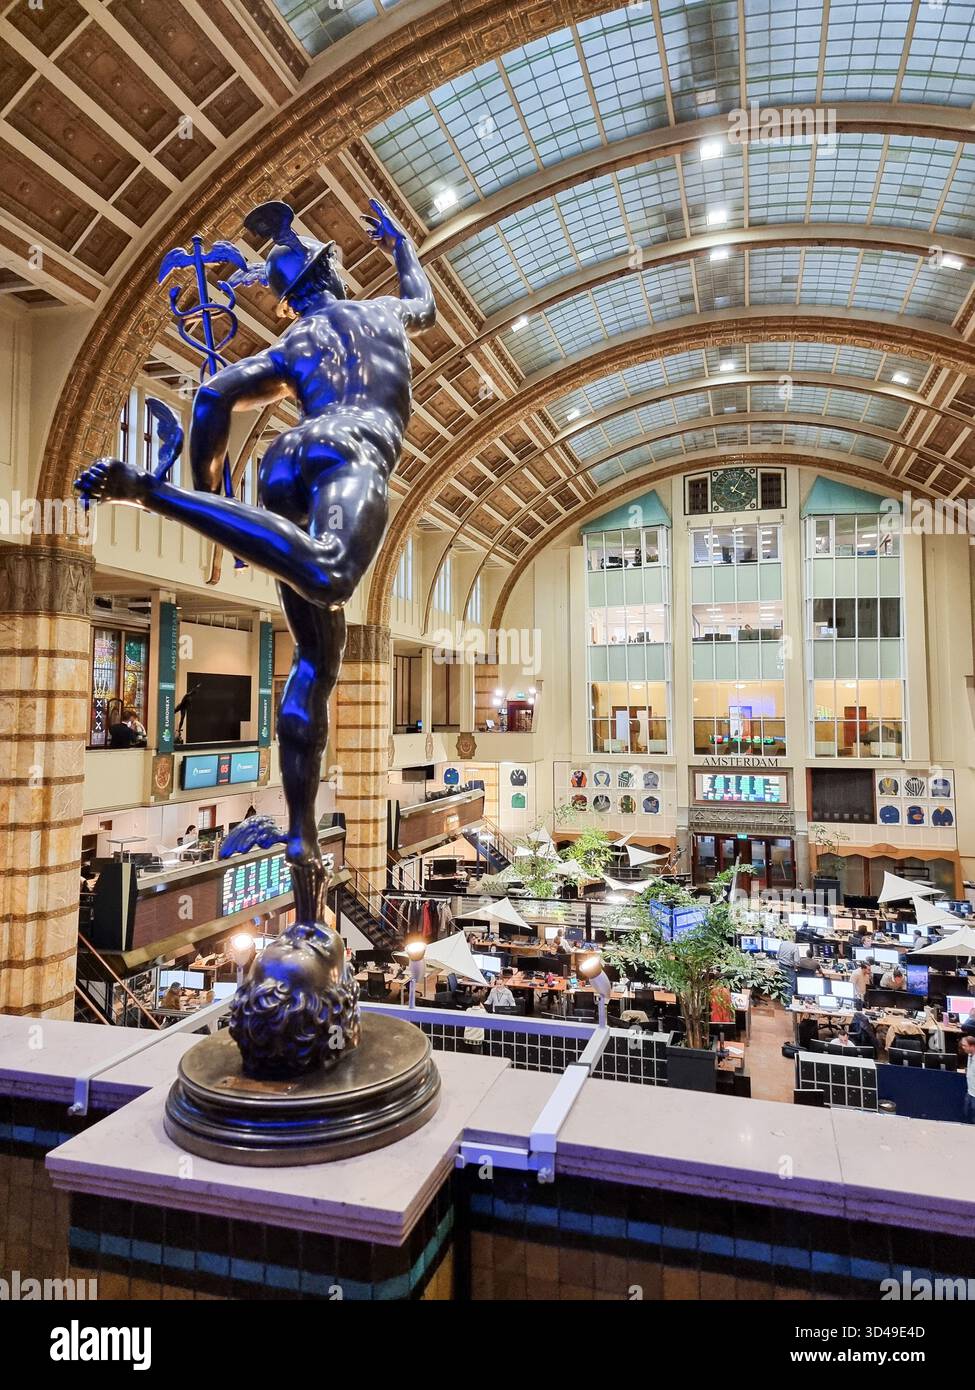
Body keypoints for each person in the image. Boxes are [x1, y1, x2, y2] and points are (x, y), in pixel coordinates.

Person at [75, 197, 435, 934]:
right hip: (354, 453)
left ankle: (302, 840)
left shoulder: (292, 348)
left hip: (287, 460)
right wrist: (401, 247)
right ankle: (152, 493)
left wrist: (220, 503)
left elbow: (211, 396)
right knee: (331, 575)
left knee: (317, 658)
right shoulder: (382, 317)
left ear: (288, 300)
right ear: (335, 279)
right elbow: (424, 302)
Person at [776, 937, 804, 1002]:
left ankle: (782, 1001)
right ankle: (787, 1004)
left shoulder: (782, 944)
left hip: (781, 966)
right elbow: (796, 961)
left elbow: (777, 955)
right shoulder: (795, 947)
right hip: (789, 968)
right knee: (790, 986)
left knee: (784, 984)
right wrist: (795, 968)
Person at [961, 1035, 975, 1124]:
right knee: (966, 1117)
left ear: (972, 1046)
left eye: (964, 1045)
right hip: (969, 1092)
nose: (963, 1048)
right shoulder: (969, 1056)